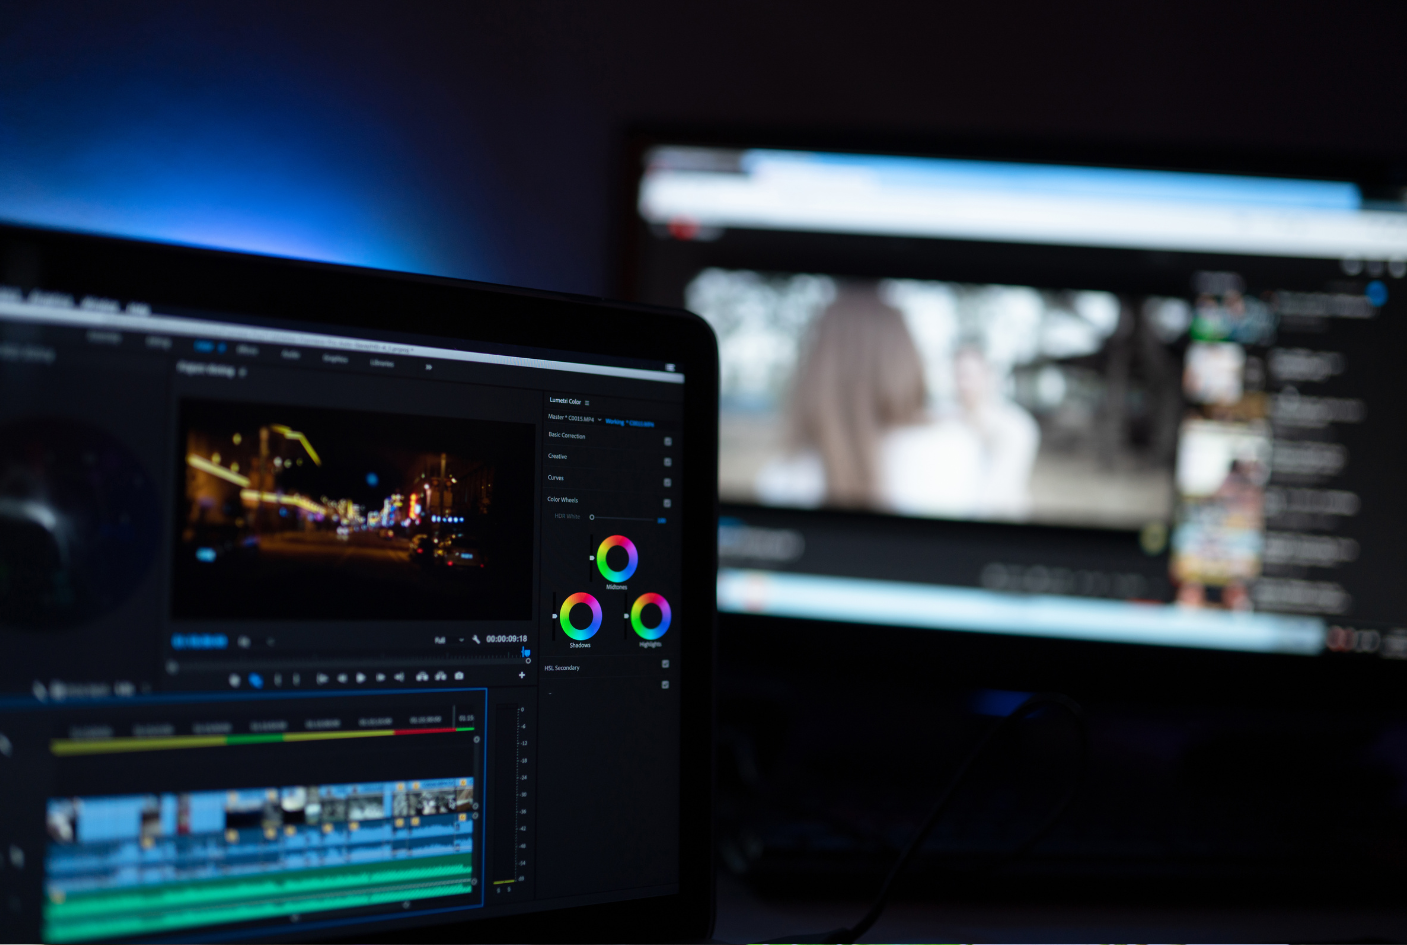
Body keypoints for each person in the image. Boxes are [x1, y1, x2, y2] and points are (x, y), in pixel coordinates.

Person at [755, 284, 1038, 518]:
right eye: (959, 373)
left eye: (971, 374)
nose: (963, 382)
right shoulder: (950, 446)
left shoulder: (781, 478)